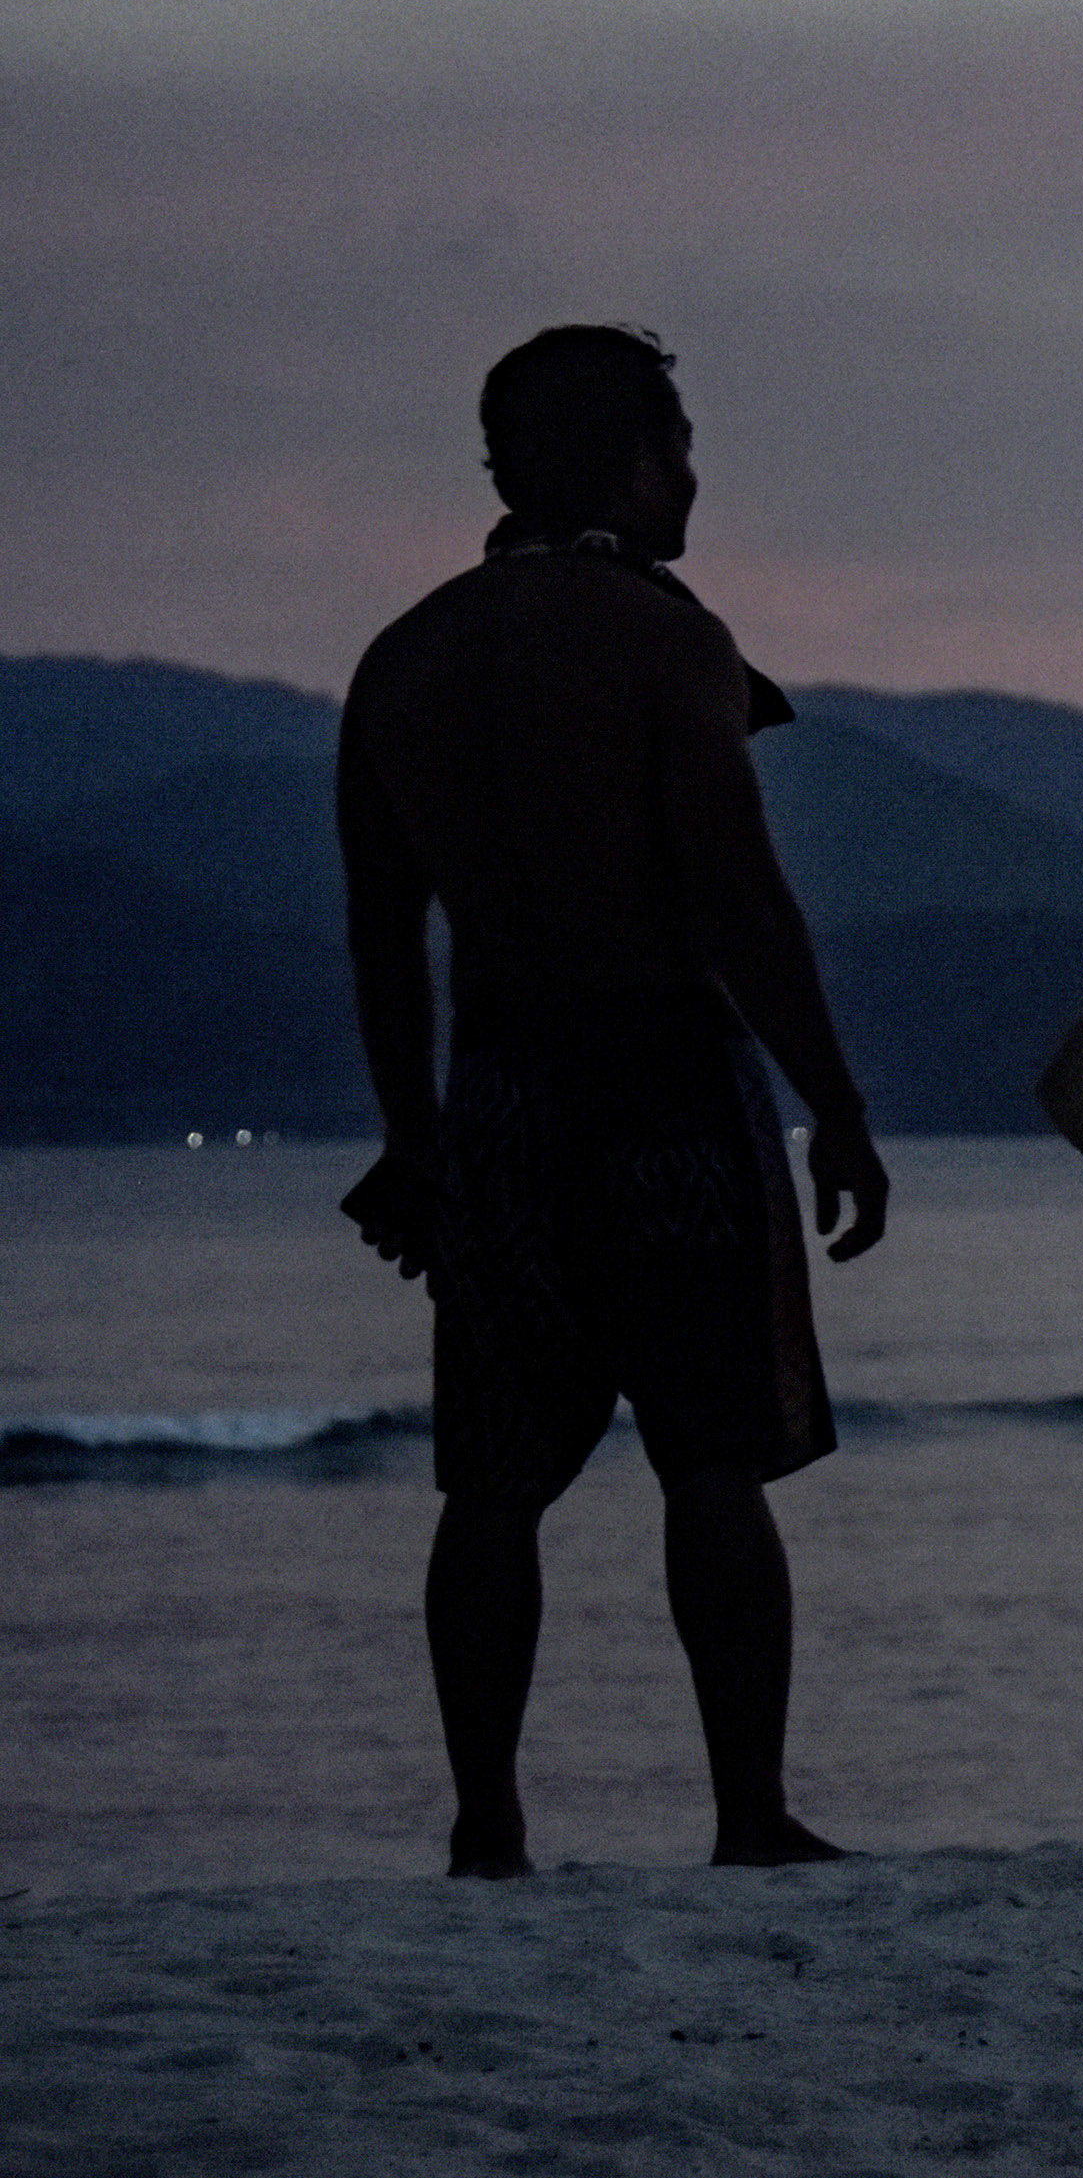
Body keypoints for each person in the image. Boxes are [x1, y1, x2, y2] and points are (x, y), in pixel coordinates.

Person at [335, 324, 889, 1878]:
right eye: (682, 448)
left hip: (497, 1089)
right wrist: (834, 1101)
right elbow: (738, 894)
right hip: (663, 1079)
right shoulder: (666, 639)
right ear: (637, 464)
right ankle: (748, 1813)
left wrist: (410, 1136)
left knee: (493, 1484)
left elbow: (384, 936)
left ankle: (488, 1825)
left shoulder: (402, 660)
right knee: (710, 1457)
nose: (694, 479)